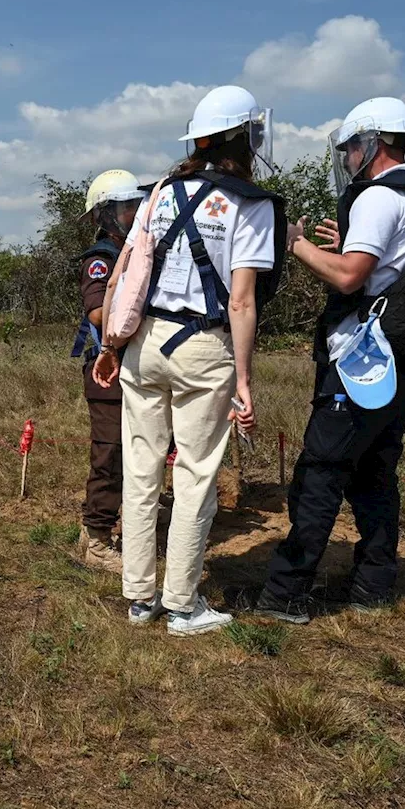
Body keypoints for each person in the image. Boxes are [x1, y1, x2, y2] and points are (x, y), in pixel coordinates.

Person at [93, 85, 285, 636]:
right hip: (205, 347)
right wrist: (244, 378)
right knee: (196, 474)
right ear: (247, 137)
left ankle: (137, 597)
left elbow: (132, 275)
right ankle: (181, 604)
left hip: (145, 344)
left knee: (141, 466)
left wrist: (112, 345)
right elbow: (243, 299)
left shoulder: (160, 193)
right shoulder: (251, 205)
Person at [256, 97, 405, 623]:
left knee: (321, 471)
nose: (345, 159)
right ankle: (373, 586)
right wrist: (348, 247)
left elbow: (349, 278)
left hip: (362, 358)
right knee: (377, 470)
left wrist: (295, 244)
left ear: (371, 144)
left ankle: (287, 593)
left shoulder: (377, 199)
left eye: (349, 148)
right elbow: (393, 267)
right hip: (404, 360)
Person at [71, 170, 145, 573]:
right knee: (110, 452)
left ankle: (93, 526)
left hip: (130, 364)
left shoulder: (136, 251)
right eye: (124, 207)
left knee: (126, 451)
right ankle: (99, 541)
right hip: (105, 369)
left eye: (135, 205)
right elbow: (99, 313)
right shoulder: (101, 260)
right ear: (105, 215)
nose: (132, 213)